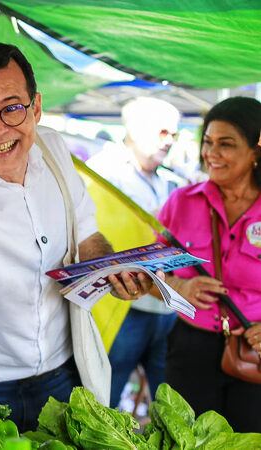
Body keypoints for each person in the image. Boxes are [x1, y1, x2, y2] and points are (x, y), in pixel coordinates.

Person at [0, 42, 153, 431]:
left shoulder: (51, 147)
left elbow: (87, 233)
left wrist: (113, 270)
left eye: (11, 108)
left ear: (36, 106)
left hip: (66, 373)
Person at [156, 97, 261, 432]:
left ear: (256, 151)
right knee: (184, 439)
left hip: (253, 352)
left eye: (226, 144)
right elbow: (149, 274)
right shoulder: (181, 203)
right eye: (207, 142)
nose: (211, 153)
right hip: (190, 348)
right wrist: (177, 287)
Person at [86, 97, 184, 408]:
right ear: (134, 129)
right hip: (121, 307)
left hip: (165, 309)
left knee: (170, 404)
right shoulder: (102, 173)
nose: (168, 141)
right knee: (105, 399)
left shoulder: (170, 182)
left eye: (174, 135)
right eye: (163, 132)